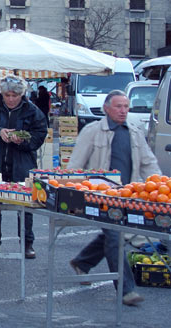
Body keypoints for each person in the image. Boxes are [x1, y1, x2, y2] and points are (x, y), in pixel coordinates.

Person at [68, 90, 160, 306]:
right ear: (107, 108)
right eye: (118, 106)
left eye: (126, 107)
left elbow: (148, 163)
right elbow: (75, 166)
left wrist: (162, 186)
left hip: (127, 195)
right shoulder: (92, 131)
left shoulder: (134, 132)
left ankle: (82, 262)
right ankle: (126, 290)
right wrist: (75, 193)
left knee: (114, 234)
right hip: (101, 196)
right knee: (115, 237)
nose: (123, 111)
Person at [0, 75, 47, 258]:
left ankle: (27, 243)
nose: (11, 99)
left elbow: (39, 135)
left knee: (25, 205)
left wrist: (23, 140)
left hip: (22, 163)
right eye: (8, 95)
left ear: (22, 94)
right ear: (2, 94)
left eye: (15, 95)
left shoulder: (32, 110)